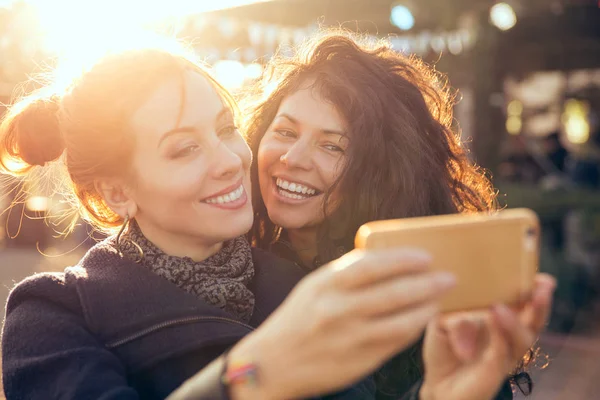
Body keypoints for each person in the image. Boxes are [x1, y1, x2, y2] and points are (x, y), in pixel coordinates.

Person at [0, 36, 460, 399]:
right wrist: (255, 372)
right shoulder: (54, 316)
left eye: (225, 129)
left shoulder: (303, 287)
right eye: (185, 148)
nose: (230, 160)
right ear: (116, 193)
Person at [245, 31, 556, 399]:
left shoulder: (426, 296)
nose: (293, 158)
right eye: (284, 131)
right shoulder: (236, 272)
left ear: (381, 171)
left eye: (332, 145)